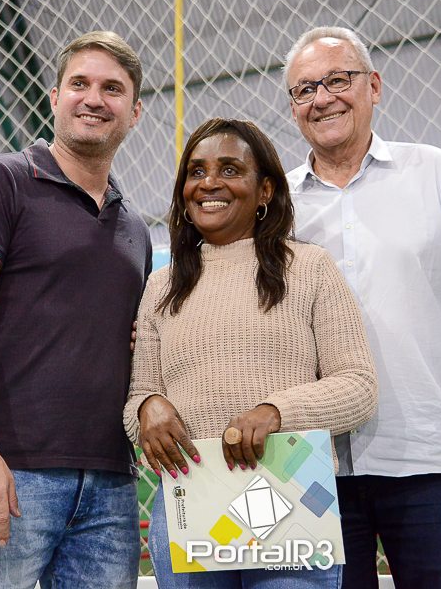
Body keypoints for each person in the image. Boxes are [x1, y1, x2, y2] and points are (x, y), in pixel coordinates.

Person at [283, 27, 441, 589]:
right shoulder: (277, 201)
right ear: (293, 107)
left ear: (374, 85)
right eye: (305, 89)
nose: (322, 98)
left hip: (433, 461)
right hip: (311, 466)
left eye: (337, 80)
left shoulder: (434, 171)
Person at [0, 31, 150, 589]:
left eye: (112, 89)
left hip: (111, 487)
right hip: (8, 476)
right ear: (54, 97)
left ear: (135, 112)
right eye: (80, 84)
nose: (94, 98)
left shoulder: (136, 228)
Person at [122, 117, 377, 588]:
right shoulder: (160, 286)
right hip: (191, 503)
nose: (209, 183)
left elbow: (358, 388)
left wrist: (275, 412)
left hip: (291, 497)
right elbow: (139, 396)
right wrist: (147, 407)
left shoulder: (310, 268)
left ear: (265, 191)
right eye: (196, 172)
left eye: (229, 169)